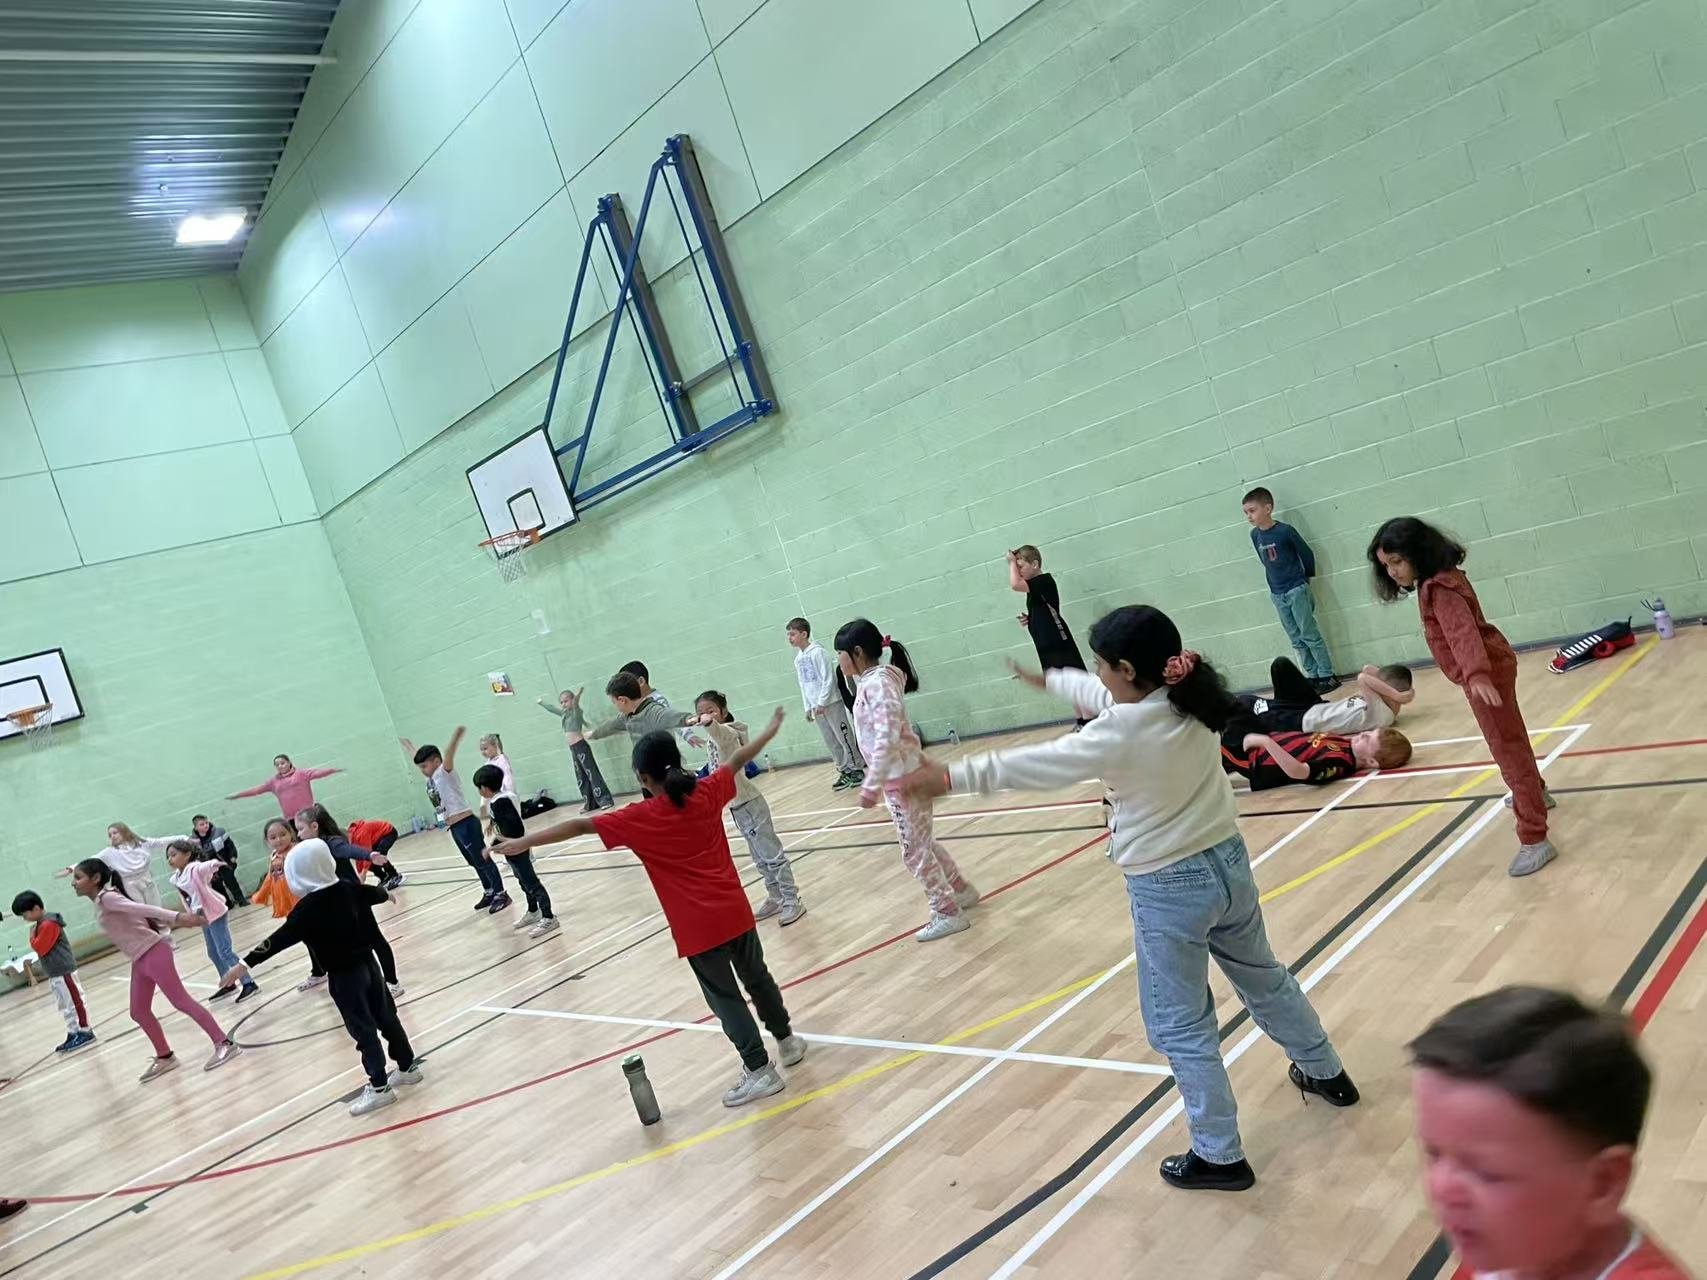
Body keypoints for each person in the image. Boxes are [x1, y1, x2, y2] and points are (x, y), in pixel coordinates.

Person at [900, 605, 1358, 1190]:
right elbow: (1103, 694)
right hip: (1227, 864)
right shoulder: (1192, 698)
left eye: (1101, 664)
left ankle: (1219, 1154)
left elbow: (1039, 764)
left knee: (1181, 1025)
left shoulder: (1119, 732)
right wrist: (1054, 681)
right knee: (1264, 977)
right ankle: (1326, 1072)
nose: (1097, 674)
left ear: (1126, 669)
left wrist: (947, 778)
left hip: (1169, 885)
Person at [492, 711, 807, 1108]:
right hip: (735, 911)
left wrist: (523, 842)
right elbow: (736, 759)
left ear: (643, 778)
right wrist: (770, 731)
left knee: (725, 998)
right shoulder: (707, 792)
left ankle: (759, 1070)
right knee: (758, 978)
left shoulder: (640, 817)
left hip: (698, 928)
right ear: (676, 761)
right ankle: (787, 1041)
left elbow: (580, 825)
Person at [1410, 986, 1689, 1278]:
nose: (1442, 1187)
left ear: (1602, 1183)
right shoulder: (1515, 1242)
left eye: (1487, 1173)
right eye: (1434, 1153)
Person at [1369, 517, 1557, 877]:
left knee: (1506, 747)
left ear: (1417, 553)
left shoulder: (1439, 588)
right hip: (1490, 668)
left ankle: (1535, 838)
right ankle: (1537, 791)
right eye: (1386, 565)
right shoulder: (1440, 578)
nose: (1391, 571)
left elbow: (1462, 632)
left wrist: (1476, 674)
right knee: (1512, 737)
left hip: (1486, 675)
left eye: (1396, 561)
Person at [220, 841, 422, 1117]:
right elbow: (372, 892)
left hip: (344, 977)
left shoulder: (306, 909)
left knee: (363, 1030)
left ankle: (379, 1088)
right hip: (370, 966)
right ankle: (408, 1067)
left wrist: (244, 964)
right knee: (387, 1017)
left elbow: (277, 940)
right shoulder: (347, 888)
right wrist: (385, 895)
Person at [836, 619, 978, 942]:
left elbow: (887, 733)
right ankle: (960, 891)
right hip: (905, 773)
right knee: (923, 842)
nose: (839, 661)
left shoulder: (877, 685)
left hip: (903, 779)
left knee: (913, 851)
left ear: (857, 652)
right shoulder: (877, 680)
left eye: (840, 654)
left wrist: (872, 782)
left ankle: (947, 911)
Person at [70, 857, 240, 1083]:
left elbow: (143, 908)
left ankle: (224, 1043)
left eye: (78, 878)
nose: (73, 883)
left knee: (181, 1001)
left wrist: (179, 918)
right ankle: (165, 1056)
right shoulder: (103, 899)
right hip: (140, 957)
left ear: (95, 879)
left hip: (154, 952)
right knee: (138, 1011)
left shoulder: (107, 897)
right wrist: (73, 868)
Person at [694, 691, 804, 926]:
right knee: (759, 858)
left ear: (723, 712)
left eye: (711, 710)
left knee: (772, 855)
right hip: (736, 807)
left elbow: (719, 732)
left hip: (751, 804)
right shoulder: (714, 737)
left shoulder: (728, 732)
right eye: (701, 712)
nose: (706, 715)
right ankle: (775, 896)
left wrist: (709, 722)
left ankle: (792, 900)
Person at [294, 806, 404, 996]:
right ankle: (370, 984)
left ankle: (393, 983)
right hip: (336, 905)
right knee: (355, 946)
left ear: (314, 826)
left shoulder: (331, 842)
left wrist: (369, 855)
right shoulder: (312, 847)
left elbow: (348, 850)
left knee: (375, 939)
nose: (298, 834)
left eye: (301, 829)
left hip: (354, 900)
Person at [404, 728, 510, 913]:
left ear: (437, 762)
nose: (422, 771)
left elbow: (448, 755)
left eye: (424, 766)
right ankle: (489, 891)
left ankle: (501, 893)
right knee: (473, 862)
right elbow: (421, 759)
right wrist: (410, 747)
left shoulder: (444, 772)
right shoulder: (431, 778)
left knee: (483, 859)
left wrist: (455, 738)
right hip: (454, 827)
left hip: (466, 823)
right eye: (420, 767)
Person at [1243, 486, 1336, 692]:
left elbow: (1306, 554)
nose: (1249, 516)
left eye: (1252, 510)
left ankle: (1327, 674)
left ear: (1268, 508)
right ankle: (1312, 675)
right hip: (1277, 593)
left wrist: (1305, 579)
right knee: (1296, 638)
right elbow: (1265, 561)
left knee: (1309, 634)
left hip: (1296, 589)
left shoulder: (1285, 531)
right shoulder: (1254, 535)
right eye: (1246, 512)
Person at [164, 840, 259, 1004]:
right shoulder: (175, 878)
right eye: (168, 856)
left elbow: (204, 867)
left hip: (214, 912)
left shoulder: (194, 868)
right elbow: (186, 898)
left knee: (224, 951)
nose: (170, 859)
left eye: (173, 855)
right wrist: (191, 915)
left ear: (187, 855)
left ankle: (249, 983)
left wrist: (215, 863)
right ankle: (228, 983)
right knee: (213, 952)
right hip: (201, 916)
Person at [473, 763, 559, 938]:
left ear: (484, 788)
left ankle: (549, 917)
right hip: (513, 849)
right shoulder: (502, 798)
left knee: (532, 883)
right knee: (523, 881)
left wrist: (493, 846)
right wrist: (492, 825)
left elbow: (513, 827)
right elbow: (506, 820)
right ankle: (533, 911)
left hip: (516, 848)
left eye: (479, 788)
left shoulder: (500, 802)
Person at [1007, 545, 1089, 727]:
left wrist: (1011, 562)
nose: (1018, 571)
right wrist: (1031, 618)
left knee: (1076, 679)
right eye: (1017, 567)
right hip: (1045, 642)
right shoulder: (1033, 589)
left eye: (1021, 566)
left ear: (1035, 564)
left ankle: (1091, 720)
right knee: (1066, 683)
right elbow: (1044, 608)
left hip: (1057, 639)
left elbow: (1015, 585)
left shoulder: (1044, 580)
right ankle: (1082, 720)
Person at [1235, 658, 1414, 736]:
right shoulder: (1381, 698)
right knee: (1281, 665)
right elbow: (1367, 669)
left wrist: (1399, 696)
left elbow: (1363, 678)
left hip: (1302, 721)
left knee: (1245, 702)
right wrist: (1401, 693)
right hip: (1314, 706)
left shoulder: (1383, 715)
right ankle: (1276, 707)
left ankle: (1272, 713)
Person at [11, 890, 95, 1053]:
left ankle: (85, 1031)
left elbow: (40, 947)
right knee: (65, 1005)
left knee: (75, 1002)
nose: (25, 918)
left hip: (64, 971)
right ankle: (73, 1032)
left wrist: (31, 937)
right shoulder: (40, 924)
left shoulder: (49, 923)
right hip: (55, 972)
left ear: (36, 908)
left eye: (25, 914)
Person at [787, 618, 866, 790]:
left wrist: (822, 702)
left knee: (843, 736)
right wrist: (808, 706)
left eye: (792, 634)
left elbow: (828, 679)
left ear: (804, 634)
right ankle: (844, 770)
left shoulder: (818, 653)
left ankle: (857, 768)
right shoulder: (798, 659)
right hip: (817, 709)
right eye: (789, 635)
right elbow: (803, 684)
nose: (789, 638)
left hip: (831, 703)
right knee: (831, 740)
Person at [252, 817, 328, 991]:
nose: (278, 839)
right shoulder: (274, 856)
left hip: (304, 903)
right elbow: (271, 878)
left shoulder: (298, 851)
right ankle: (319, 971)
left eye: (282, 834)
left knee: (314, 938)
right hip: (289, 906)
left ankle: (323, 969)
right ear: (267, 840)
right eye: (273, 837)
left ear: (291, 833)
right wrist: (261, 895)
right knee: (308, 939)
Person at [1219, 726, 1412, 790]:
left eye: (1367, 739)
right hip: (1259, 742)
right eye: (1369, 732)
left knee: (1210, 743)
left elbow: (1298, 772)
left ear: (1371, 761)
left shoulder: (1338, 764)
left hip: (1257, 762)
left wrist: (1266, 742)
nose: (1363, 734)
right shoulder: (1346, 744)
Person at [59, 824, 183, 907]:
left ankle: (165, 934)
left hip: (146, 878)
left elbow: (161, 841)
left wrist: (185, 838)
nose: (112, 836)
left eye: (115, 832)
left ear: (124, 832)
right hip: (129, 883)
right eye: (110, 835)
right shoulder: (109, 852)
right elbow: (92, 859)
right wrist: (71, 868)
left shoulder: (140, 843)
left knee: (156, 907)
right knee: (141, 910)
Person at [537, 687, 614, 812]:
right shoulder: (564, 714)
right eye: (561, 702)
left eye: (566, 701)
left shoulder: (576, 712)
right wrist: (542, 703)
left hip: (581, 747)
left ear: (572, 700)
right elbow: (552, 709)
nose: (563, 704)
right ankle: (590, 804)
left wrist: (578, 695)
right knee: (581, 777)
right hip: (573, 749)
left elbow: (576, 703)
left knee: (592, 773)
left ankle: (605, 800)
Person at [228, 754, 341, 819]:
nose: (280, 766)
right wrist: (238, 795)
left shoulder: (301, 774)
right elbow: (257, 790)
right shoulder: (273, 782)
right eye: (277, 765)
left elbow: (318, 773)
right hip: (291, 818)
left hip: (308, 814)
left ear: (289, 762)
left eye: (282, 763)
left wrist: (333, 770)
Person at [190, 815, 247, 908]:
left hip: (223, 862)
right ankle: (227, 905)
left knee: (231, 882)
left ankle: (242, 901)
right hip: (210, 867)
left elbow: (229, 844)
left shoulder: (219, 832)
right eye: (202, 824)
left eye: (206, 823)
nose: (205, 825)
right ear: (196, 827)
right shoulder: (193, 841)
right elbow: (196, 857)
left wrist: (233, 856)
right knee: (217, 886)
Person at [346, 817, 407, 890]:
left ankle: (395, 875)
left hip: (389, 833)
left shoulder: (361, 834)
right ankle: (384, 877)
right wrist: (360, 875)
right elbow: (359, 858)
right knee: (369, 861)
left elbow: (368, 853)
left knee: (378, 856)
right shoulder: (352, 841)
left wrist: (363, 874)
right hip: (376, 839)